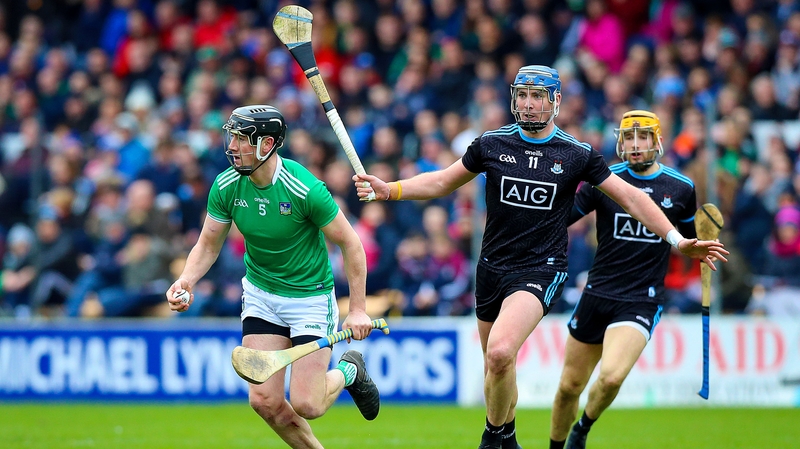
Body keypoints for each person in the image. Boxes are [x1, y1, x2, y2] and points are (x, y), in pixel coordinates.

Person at [352, 66, 728, 449]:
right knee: (497, 367)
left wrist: (677, 241)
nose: (529, 105)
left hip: (541, 270)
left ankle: (492, 437)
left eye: (538, 97)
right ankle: (509, 434)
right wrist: (391, 189)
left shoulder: (577, 153)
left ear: (556, 101)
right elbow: (441, 180)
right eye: (522, 96)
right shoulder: (491, 144)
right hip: (491, 268)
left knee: (501, 351)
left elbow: (631, 197)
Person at [166, 105, 380, 449]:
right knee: (264, 401)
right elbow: (207, 244)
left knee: (307, 404)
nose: (232, 146)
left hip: (309, 298)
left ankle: (350, 370)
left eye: (241, 139)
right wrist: (186, 280)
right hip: (261, 296)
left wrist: (357, 309)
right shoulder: (226, 185)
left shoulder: (304, 189)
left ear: (266, 145)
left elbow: (352, 245)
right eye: (231, 136)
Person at [548, 110, 701, 449]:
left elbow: (689, 240)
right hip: (597, 292)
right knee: (568, 387)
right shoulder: (606, 180)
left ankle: (584, 426)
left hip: (640, 298)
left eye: (642, 137)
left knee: (612, 375)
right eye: (628, 138)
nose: (634, 145)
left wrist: (699, 249)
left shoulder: (681, 187)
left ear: (657, 141)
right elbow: (562, 217)